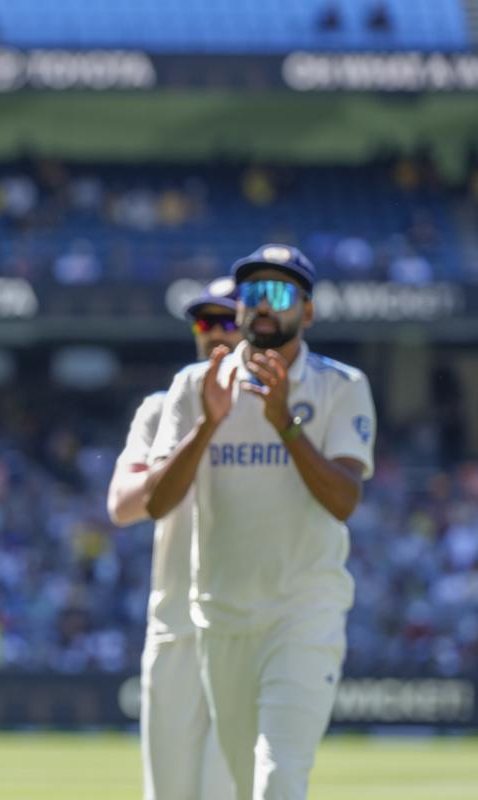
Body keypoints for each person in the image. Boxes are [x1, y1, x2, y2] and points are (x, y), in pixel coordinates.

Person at [144, 245, 376, 800]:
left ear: (309, 311)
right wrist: (207, 423)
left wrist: (285, 426)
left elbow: (344, 500)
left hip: (303, 614)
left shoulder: (341, 386)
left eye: (279, 293)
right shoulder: (196, 385)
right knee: (245, 786)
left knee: (279, 779)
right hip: (220, 617)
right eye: (252, 294)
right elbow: (157, 504)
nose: (263, 307)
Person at [107, 276, 238, 800]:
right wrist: (200, 428)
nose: (215, 333)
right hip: (175, 627)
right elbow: (123, 505)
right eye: (205, 322)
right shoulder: (161, 409)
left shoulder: (276, 410)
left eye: (228, 320)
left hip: (245, 627)